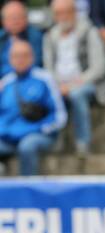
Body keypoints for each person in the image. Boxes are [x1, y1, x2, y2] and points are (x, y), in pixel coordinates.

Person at [44, 0, 105, 155]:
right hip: (60, 85)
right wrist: (58, 86)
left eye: (67, 12)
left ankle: (82, 143)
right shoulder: (50, 37)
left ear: (74, 12)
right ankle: (55, 141)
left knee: (76, 94)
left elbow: (98, 68)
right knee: (49, 94)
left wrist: (72, 85)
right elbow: (48, 68)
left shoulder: (89, 31)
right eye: (58, 13)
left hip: (86, 83)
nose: (63, 17)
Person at [0, 40, 67, 176]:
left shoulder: (44, 79)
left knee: (27, 146)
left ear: (32, 57)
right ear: (10, 59)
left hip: (37, 134)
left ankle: (28, 189)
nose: (20, 60)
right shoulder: (6, 83)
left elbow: (60, 116)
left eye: (24, 55)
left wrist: (38, 129)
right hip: (8, 136)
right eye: (16, 56)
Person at [0, 1, 42, 76]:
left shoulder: (35, 36)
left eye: (19, 16)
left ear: (26, 18)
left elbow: (36, 64)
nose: (15, 21)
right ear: (3, 21)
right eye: (11, 17)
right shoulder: (1, 37)